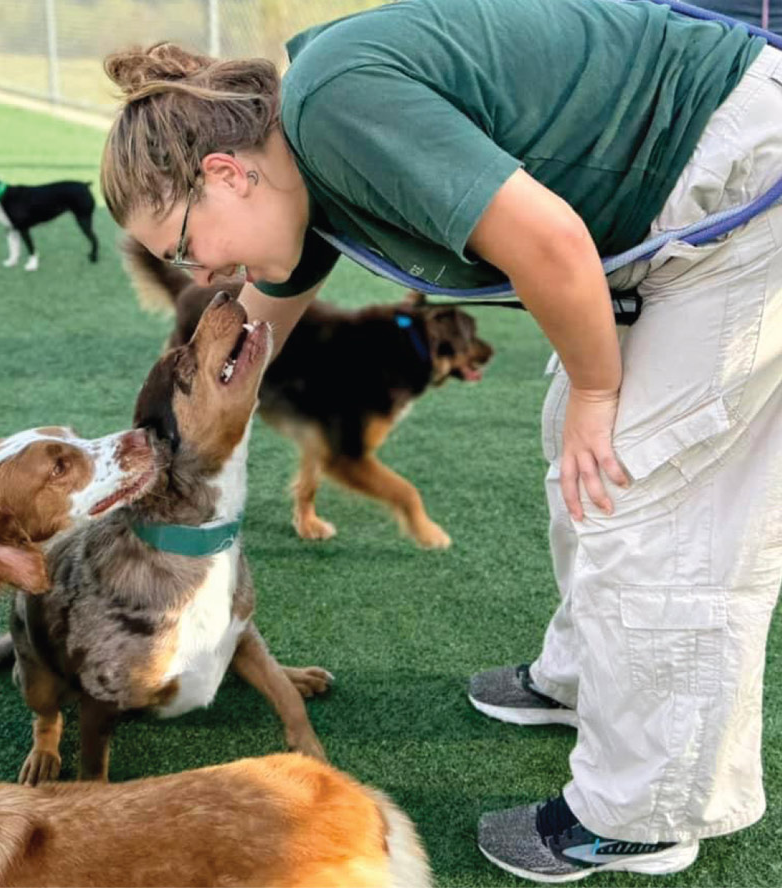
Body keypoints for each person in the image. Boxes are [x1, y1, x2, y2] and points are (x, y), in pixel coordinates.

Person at [99, 0, 782, 880]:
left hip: (745, 180)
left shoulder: (336, 110)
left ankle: (644, 813)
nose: (200, 274)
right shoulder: (300, 164)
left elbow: (551, 241)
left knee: (644, 488)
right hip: (691, 185)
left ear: (226, 173)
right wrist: (156, 444)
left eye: (186, 245)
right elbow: (250, 340)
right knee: (582, 454)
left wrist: (597, 387)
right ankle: (584, 676)